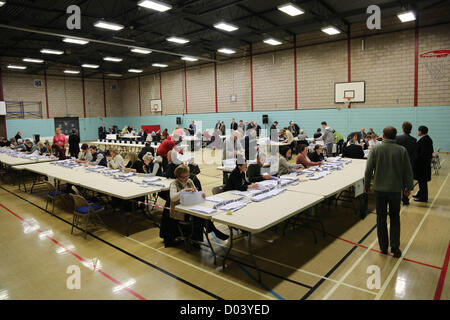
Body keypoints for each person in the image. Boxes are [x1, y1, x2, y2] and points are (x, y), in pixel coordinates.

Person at [364, 126, 414, 258]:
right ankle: (395, 247)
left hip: (379, 190)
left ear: (383, 136)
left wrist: (366, 184)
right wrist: (408, 187)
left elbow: (368, 169)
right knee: (395, 218)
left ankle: (383, 247)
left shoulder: (376, 149)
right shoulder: (401, 150)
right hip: (395, 190)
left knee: (380, 218)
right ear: (395, 136)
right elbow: (408, 171)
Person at [395, 121, 417, 205]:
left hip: (397, 164)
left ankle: (396, 199)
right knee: (406, 183)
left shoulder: (397, 138)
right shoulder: (414, 140)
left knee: (396, 182)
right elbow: (414, 155)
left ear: (403, 128)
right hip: (408, 164)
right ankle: (405, 200)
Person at [413, 126, 433, 203]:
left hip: (422, 165)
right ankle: (420, 194)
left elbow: (423, 154)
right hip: (423, 165)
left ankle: (423, 197)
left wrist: (415, 159)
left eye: (418, 131)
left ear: (420, 132)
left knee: (423, 182)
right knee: (421, 182)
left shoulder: (425, 140)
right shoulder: (427, 139)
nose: (417, 132)